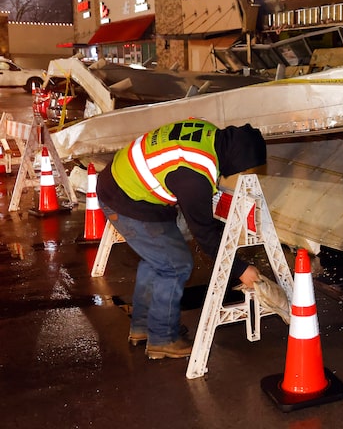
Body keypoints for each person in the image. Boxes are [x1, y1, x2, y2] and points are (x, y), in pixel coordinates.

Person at [96, 118, 267, 359]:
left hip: (122, 182)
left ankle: (144, 326)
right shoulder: (195, 176)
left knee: (157, 259)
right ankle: (163, 339)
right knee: (175, 265)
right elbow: (204, 234)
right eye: (242, 167)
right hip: (126, 200)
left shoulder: (207, 130)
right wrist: (240, 269)